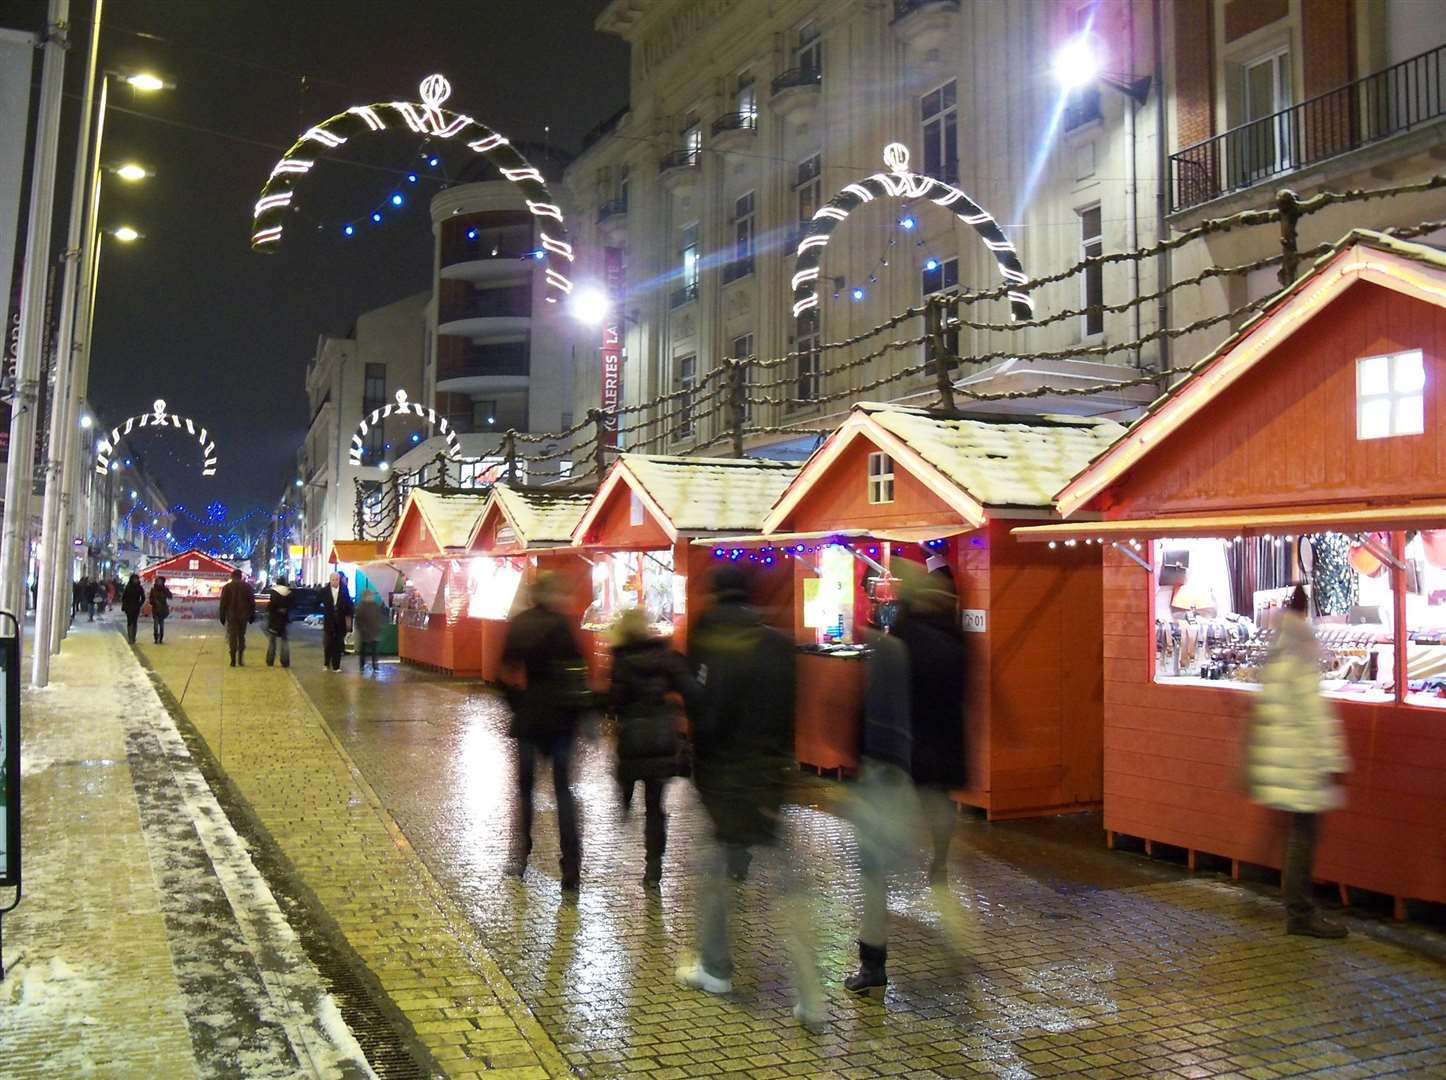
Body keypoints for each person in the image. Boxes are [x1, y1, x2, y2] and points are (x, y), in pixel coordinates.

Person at [678, 566, 824, 1031]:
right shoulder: (780, 645)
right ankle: (810, 995)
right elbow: (790, 714)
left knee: (718, 875)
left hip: (726, 778)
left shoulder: (710, 638)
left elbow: (706, 715)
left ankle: (716, 969)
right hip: (770, 777)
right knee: (788, 885)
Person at [845, 559, 971, 995]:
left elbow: (878, 703)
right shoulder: (957, 642)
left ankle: (873, 962)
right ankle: (944, 890)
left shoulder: (901, 641)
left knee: (874, 868)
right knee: (937, 841)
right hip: (941, 759)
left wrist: (860, 753)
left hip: (897, 764)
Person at [1244, 584, 1351, 938]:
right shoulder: (1301, 662)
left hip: (1282, 763)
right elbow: (1315, 718)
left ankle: (1285, 901)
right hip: (1301, 765)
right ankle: (1300, 914)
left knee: (1293, 836)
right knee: (1302, 839)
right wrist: (1335, 760)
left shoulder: (1277, 658)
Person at [500, 572, 587, 892]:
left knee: (525, 791)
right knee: (563, 792)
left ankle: (520, 855)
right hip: (561, 720)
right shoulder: (563, 625)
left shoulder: (520, 623)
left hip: (530, 719)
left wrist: (517, 703)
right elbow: (579, 668)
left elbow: (506, 671)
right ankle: (571, 867)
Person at [606, 607, 697, 886]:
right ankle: (653, 867)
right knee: (655, 806)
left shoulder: (621, 662)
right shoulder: (665, 656)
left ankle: (625, 797)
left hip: (633, 737)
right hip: (660, 737)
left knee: (629, 775)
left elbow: (614, 703)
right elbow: (690, 688)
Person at [218, 569, 256, 667]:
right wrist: (252, 615)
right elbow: (252, 602)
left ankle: (232, 660)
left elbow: (223, 603)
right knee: (241, 636)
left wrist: (222, 616)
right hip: (243, 615)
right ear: (241, 576)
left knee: (232, 637)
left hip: (231, 616)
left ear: (232, 576)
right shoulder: (247, 587)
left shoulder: (227, 587)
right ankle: (240, 659)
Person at [318, 571, 354, 672]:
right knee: (328, 643)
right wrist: (323, 610)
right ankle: (326, 663)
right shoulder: (325, 590)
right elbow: (316, 602)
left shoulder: (344, 590)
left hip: (340, 622)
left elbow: (349, 606)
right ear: (330, 580)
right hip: (329, 621)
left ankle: (336, 666)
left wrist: (349, 619)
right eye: (333, 579)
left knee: (338, 644)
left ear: (339, 580)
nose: (335, 582)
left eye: (336, 579)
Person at [264, 576, 294, 667]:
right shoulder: (289, 593)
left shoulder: (273, 592)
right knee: (284, 640)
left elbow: (271, 606)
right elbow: (292, 605)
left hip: (274, 619)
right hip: (283, 620)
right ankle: (285, 661)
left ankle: (270, 660)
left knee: (272, 641)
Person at [120, 573, 145, 644]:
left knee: (135, 622)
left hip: (136, 607)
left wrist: (140, 604)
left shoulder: (140, 587)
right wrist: (124, 606)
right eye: (134, 579)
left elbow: (143, 597)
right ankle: (130, 637)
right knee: (130, 622)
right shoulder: (128, 587)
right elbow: (124, 597)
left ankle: (133, 636)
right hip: (129, 607)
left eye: (136, 579)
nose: (135, 580)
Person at [149, 576, 172, 644]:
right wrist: (154, 602)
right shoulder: (153, 589)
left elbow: (170, 596)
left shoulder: (165, 589)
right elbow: (150, 599)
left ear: (162, 582)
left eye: (160, 581)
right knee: (155, 626)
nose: (159, 582)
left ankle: (161, 638)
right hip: (155, 609)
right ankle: (156, 638)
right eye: (158, 581)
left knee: (161, 626)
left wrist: (166, 590)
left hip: (162, 610)